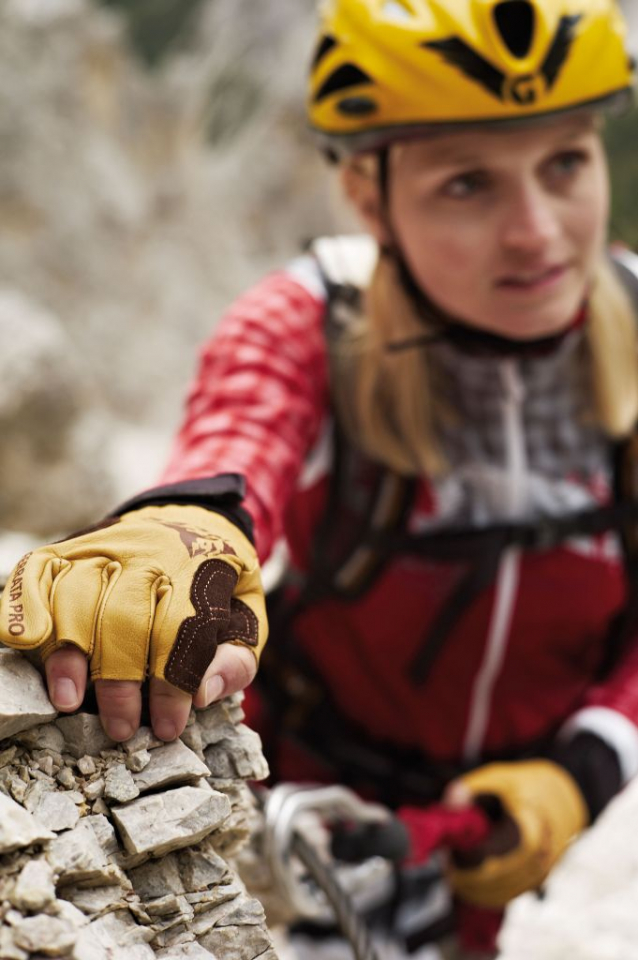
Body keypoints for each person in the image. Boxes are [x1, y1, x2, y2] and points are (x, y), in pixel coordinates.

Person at [1, 0, 638, 955]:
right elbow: (239, 424)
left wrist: (582, 770)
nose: (539, 233)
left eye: (566, 163)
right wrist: (185, 528)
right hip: (291, 821)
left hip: (478, 850)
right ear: (371, 198)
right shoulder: (316, 321)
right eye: (469, 183)